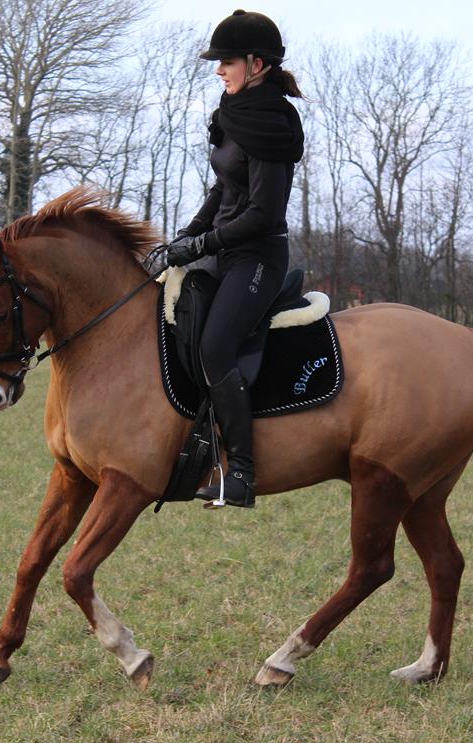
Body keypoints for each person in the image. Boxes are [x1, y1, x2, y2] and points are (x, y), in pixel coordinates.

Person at [164, 9, 305, 509]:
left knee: (216, 347)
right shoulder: (234, 114)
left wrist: (201, 246)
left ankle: (241, 473)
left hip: (257, 257)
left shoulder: (270, 125)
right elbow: (223, 188)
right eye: (218, 62)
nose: (219, 70)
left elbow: (263, 214)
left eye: (226, 61)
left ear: (257, 64)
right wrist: (184, 237)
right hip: (225, 250)